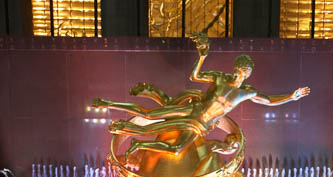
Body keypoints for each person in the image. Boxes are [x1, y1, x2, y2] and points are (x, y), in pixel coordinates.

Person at [92, 33, 309, 164]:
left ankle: (139, 143)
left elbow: (269, 100)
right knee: (149, 114)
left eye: (241, 72)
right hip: (192, 110)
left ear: (247, 74)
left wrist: (291, 97)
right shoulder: (220, 78)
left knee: (176, 150)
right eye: (236, 70)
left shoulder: (247, 92)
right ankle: (108, 103)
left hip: (202, 125)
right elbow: (194, 76)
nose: (236, 74)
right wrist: (203, 56)